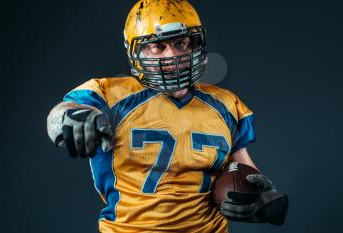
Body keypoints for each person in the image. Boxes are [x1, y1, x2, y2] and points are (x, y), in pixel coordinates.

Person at [46, 0, 288, 232]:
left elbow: (245, 170)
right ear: (137, 50)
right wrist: (70, 117)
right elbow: (61, 112)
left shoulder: (226, 103)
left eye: (181, 43)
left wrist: (266, 200)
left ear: (195, 44)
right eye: (158, 46)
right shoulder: (110, 96)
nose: (172, 56)